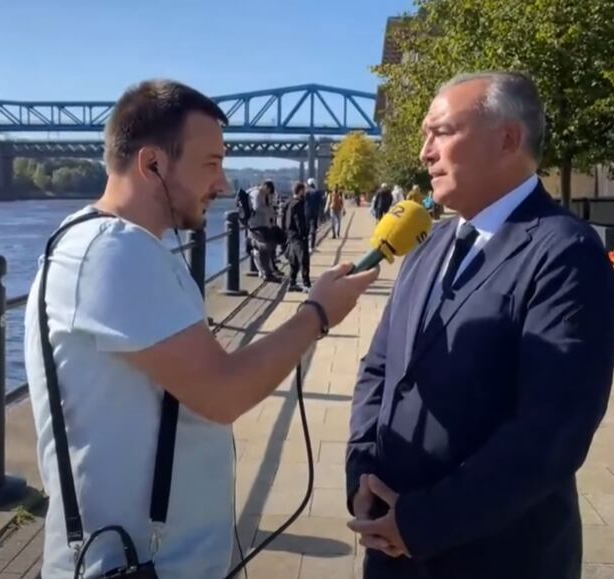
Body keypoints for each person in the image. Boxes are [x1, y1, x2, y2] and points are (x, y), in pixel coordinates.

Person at [23, 79, 378, 579]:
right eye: (211, 164)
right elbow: (223, 391)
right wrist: (317, 315)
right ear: (152, 165)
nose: (225, 184)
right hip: (141, 565)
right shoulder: (112, 253)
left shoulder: (101, 243)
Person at [345, 71, 614, 579]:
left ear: (507, 139)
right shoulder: (426, 246)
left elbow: (550, 434)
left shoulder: (566, 253)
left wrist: (423, 522)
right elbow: (380, 368)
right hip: (390, 549)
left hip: (497, 556)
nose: (425, 151)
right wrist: (362, 471)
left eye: (442, 132)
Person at [248, 180, 280, 281]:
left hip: (263, 224)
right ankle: (252, 243)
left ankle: (267, 272)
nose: (268, 193)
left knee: (267, 247)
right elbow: (257, 208)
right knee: (264, 247)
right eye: (268, 190)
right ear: (265, 186)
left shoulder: (262, 194)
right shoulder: (256, 194)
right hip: (256, 224)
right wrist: (270, 210)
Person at [283, 181, 312, 291]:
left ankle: (292, 282)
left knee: (294, 259)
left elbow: (285, 220)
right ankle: (306, 283)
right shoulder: (298, 204)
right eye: (304, 190)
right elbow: (299, 220)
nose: (305, 192)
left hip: (290, 234)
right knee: (304, 259)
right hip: (298, 235)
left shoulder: (289, 202)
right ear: (300, 191)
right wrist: (304, 233)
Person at [304, 178, 323, 250]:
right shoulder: (317, 192)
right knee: (313, 229)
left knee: (306, 229)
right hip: (315, 212)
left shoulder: (306, 192)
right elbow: (321, 203)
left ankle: (305, 246)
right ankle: (312, 246)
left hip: (306, 212)